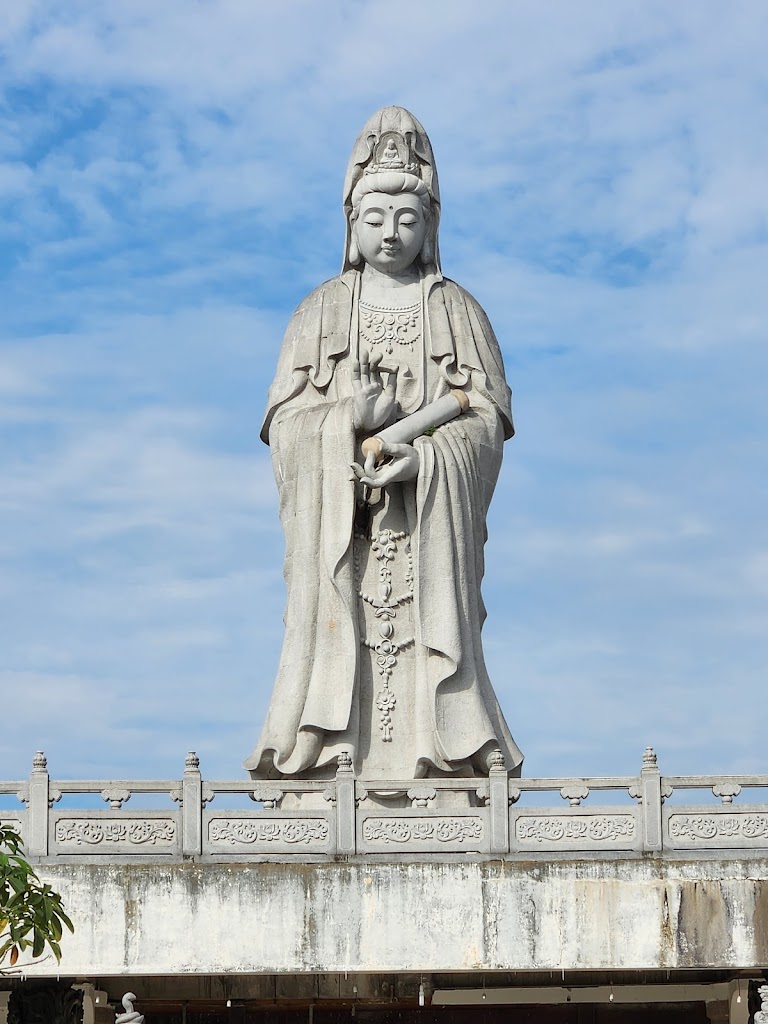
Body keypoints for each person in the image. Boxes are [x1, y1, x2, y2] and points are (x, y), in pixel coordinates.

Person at [244, 107, 523, 781]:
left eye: (407, 219)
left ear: (430, 224)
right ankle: (326, 745)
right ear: (351, 223)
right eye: (375, 219)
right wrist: (344, 419)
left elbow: (486, 419)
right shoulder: (318, 313)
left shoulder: (457, 309)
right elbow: (285, 427)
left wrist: (424, 459)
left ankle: (444, 747)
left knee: (431, 641)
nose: (391, 233)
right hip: (347, 537)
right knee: (335, 633)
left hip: (424, 528)